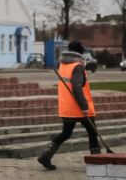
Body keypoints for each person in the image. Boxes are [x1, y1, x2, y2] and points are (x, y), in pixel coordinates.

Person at [37, 40, 99, 170]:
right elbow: (77, 88)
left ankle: (46, 155)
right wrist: (84, 107)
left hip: (67, 106)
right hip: (79, 107)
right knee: (92, 132)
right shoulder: (77, 66)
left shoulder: (63, 65)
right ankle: (97, 161)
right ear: (80, 52)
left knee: (66, 133)